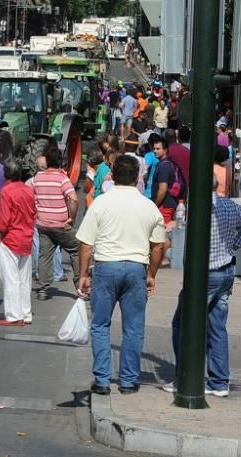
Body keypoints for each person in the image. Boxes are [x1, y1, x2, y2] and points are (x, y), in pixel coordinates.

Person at [77, 155, 167, 395]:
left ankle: (103, 380)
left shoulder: (101, 203)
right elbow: (159, 245)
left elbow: (86, 244)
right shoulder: (149, 206)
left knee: (100, 324)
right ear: (137, 177)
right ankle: (128, 381)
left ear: (113, 175)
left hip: (106, 267)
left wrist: (83, 274)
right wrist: (151, 274)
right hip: (137, 268)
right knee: (134, 327)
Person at [163, 176, 241, 396]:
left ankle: (185, 376)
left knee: (183, 324)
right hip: (225, 270)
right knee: (217, 327)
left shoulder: (199, 207)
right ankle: (219, 381)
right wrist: (233, 246)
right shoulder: (228, 205)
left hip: (205, 275)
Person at [33, 146, 81, 301]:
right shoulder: (62, 178)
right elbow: (73, 198)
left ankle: (43, 289)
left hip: (43, 223)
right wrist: (72, 218)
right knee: (77, 249)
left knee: (44, 255)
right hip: (60, 224)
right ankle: (81, 285)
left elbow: (33, 199)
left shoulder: (37, 178)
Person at [0, 160, 36, 326]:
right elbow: (33, 213)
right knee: (24, 279)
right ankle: (25, 313)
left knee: (10, 279)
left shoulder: (6, 191)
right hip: (26, 237)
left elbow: (3, 220)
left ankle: (14, 315)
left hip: (10, 238)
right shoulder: (28, 190)